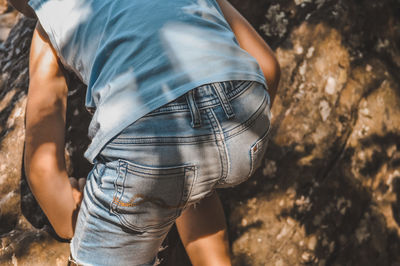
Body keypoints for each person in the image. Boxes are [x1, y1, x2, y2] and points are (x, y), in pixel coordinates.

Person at [9, 0, 280, 265]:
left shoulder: (49, 21)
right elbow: (268, 66)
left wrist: (70, 216)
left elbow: (43, 167)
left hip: (147, 148)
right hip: (246, 117)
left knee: (170, 163)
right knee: (186, 173)